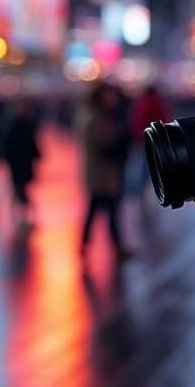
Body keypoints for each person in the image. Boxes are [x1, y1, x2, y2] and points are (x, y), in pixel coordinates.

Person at [79, 82, 133, 260]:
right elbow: (105, 146)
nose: (113, 99)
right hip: (102, 174)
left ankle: (87, 244)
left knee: (100, 211)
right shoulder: (96, 118)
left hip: (106, 173)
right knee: (104, 211)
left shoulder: (105, 116)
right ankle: (113, 247)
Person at [0, 98, 41, 229]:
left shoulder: (15, 124)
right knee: (20, 188)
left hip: (20, 161)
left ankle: (20, 214)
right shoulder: (17, 124)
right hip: (19, 161)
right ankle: (22, 214)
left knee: (20, 188)